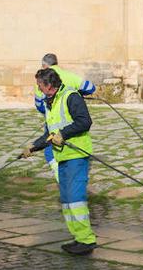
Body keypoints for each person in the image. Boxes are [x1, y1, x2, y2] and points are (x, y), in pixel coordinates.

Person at [22, 67, 98, 255]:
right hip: (62, 156)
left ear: (48, 86)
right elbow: (50, 133)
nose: (38, 89)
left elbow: (84, 121)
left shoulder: (71, 96)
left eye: (40, 85)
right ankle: (78, 238)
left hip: (76, 155)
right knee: (66, 200)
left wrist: (63, 134)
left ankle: (87, 241)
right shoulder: (51, 102)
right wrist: (33, 147)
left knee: (75, 199)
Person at [32, 53, 96, 183]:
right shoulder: (69, 75)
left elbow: (39, 105)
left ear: (44, 65)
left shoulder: (42, 80)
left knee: (50, 148)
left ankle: (60, 175)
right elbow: (90, 88)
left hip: (53, 120)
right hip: (71, 119)